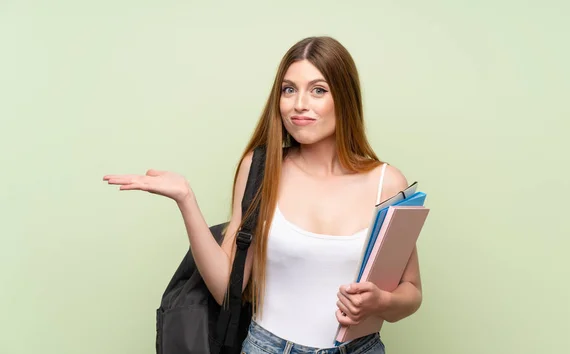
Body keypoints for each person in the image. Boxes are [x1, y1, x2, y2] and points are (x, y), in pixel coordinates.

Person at [103, 36, 422, 354]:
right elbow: (226, 289)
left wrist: (381, 301)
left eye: (318, 90)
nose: (299, 104)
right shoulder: (260, 169)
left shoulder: (388, 183)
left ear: (345, 97)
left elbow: (411, 293)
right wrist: (186, 199)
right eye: (289, 89)